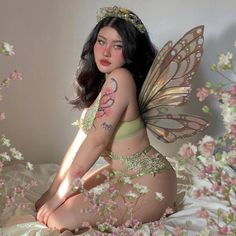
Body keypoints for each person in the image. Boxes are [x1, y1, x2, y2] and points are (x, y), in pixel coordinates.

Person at [35, 5, 205, 232]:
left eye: (117, 46)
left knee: (59, 218)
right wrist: (53, 192)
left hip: (150, 181)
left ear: (130, 51)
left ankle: (157, 204)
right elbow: (77, 145)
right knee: (51, 206)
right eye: (101, 41)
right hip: (121, 174)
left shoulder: (121, 78)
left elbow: (97, 141)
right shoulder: (104, 85)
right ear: (93, 43)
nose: (105, 52)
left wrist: (57, 200)